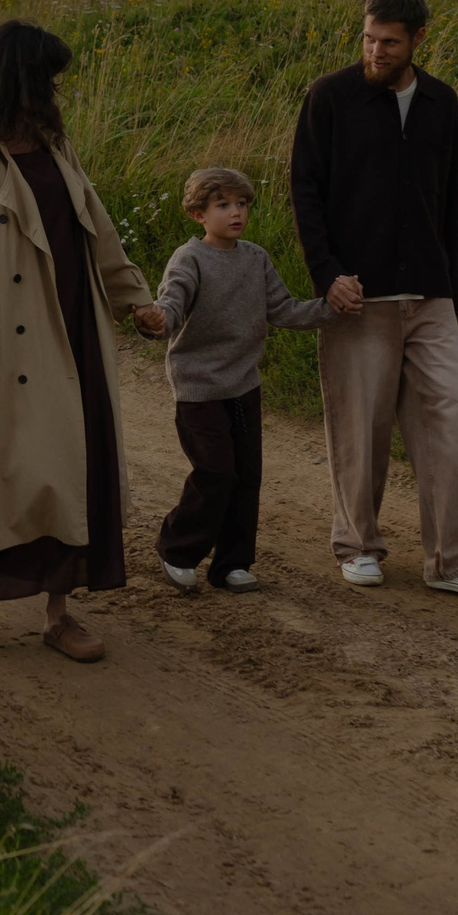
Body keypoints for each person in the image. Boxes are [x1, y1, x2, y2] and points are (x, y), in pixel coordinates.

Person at [0, 20, 165, 663]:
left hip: (75, 323)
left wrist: (133, 298)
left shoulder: (57, 145)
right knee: (9, 473)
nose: (55, 91)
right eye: (46, 78)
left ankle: (59, 615)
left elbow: (96, 225)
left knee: (72, 468)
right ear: (18, 79)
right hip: (11, 339)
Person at [287, 0, 458, 600]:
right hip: (358, 294)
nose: (376, 51)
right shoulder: (330, 97)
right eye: (368, 38)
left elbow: (449, 203)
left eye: (389, 42)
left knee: (446, 418)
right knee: (362, 425)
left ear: (417, 41)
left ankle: (455, 561)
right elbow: (305, 188)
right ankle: (358, 545)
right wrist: (327, 275)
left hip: (431, 294)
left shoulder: (443, 103)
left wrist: (451, 291)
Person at [148, 166, 336, 594]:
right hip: (199, 389)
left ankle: (231, 564)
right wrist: (156, 320)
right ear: (199, 214)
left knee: (247, 475)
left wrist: (332, 308)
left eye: (242, 204)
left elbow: (283, 309)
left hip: (244, 385)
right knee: (216, 472)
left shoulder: (255, 258)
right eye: (223, 205)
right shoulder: (190, 258)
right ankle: (177, 550)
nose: (236, 213)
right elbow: (171, 304)